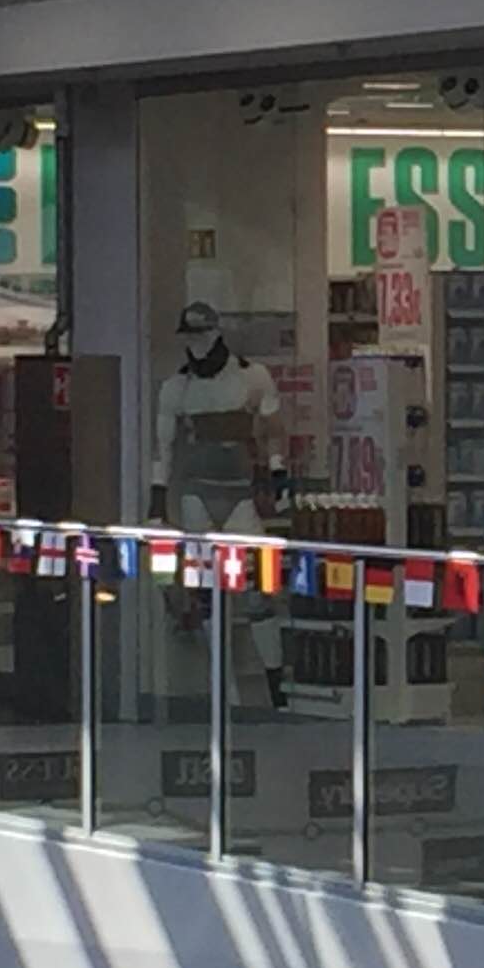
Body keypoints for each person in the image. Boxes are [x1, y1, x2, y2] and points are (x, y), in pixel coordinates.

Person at [150, 300, 286, 706]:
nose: (196, 344)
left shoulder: (253, 377)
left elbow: (272, 429)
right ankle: (224, 687)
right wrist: (157, 502)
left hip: (239, 491)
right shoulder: (176, 388)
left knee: (260, 585)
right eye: (190, 337)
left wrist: (277, 471)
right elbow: (164, 450)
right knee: (207, 589)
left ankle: (275, 685)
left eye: (202, 335)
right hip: (198, 492)